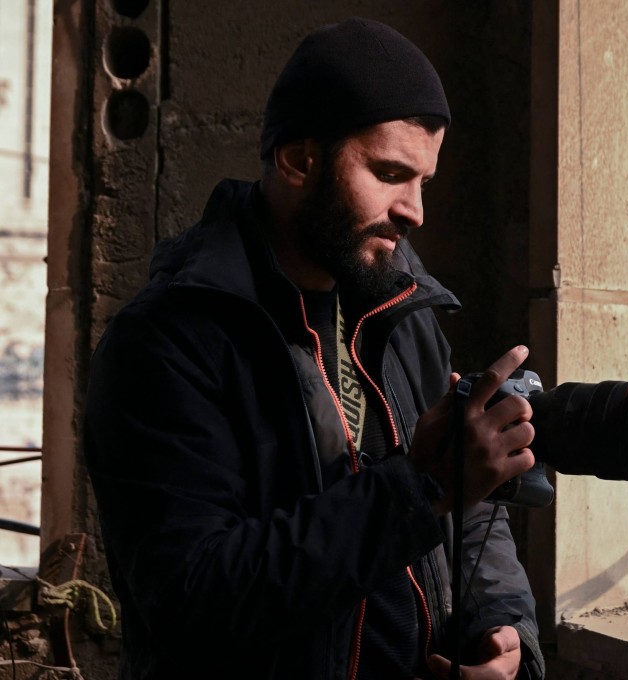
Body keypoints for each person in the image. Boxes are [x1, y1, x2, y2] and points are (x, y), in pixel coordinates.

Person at [84, 18, 545, 680]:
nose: (414, 209)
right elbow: (195, 600)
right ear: (298, 159)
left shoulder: (402, 315)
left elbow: (472, 511)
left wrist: (503, 627)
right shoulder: (164, 344)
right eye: (389, 173)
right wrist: (421, 488)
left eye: (423, 181)